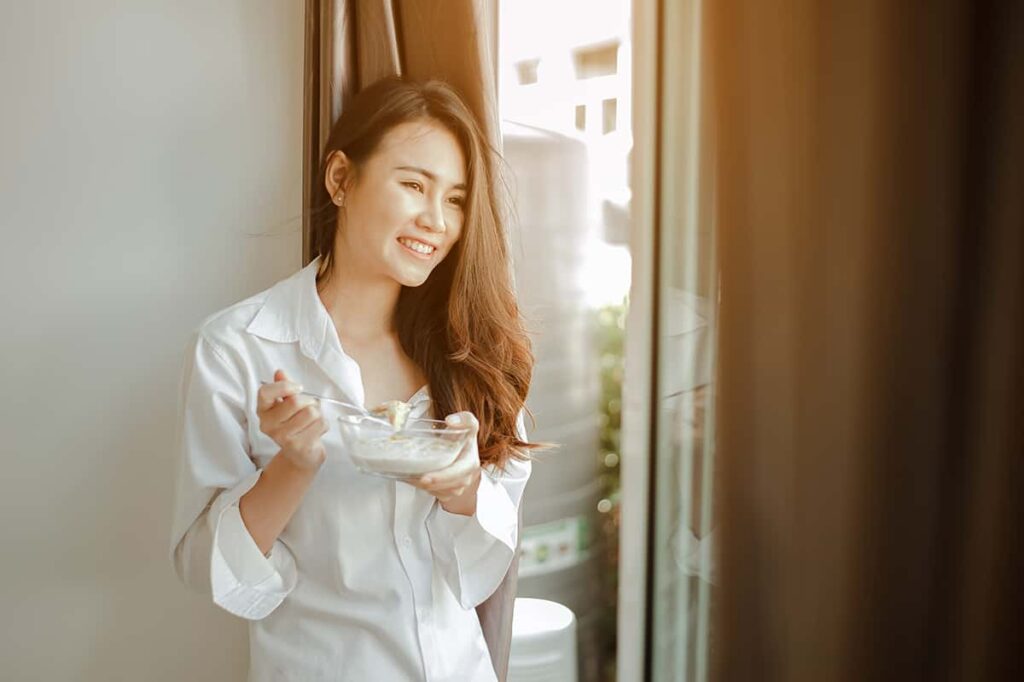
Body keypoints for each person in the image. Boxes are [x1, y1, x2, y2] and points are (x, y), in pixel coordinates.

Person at [169, 76, 537, 681]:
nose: (435, 220)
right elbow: (204, 564)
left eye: (455, 198)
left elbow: (478, 570)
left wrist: (464, 488)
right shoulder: (236, 347)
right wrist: (293, 464)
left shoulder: (477, 355)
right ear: (341, 178)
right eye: (414, 184)